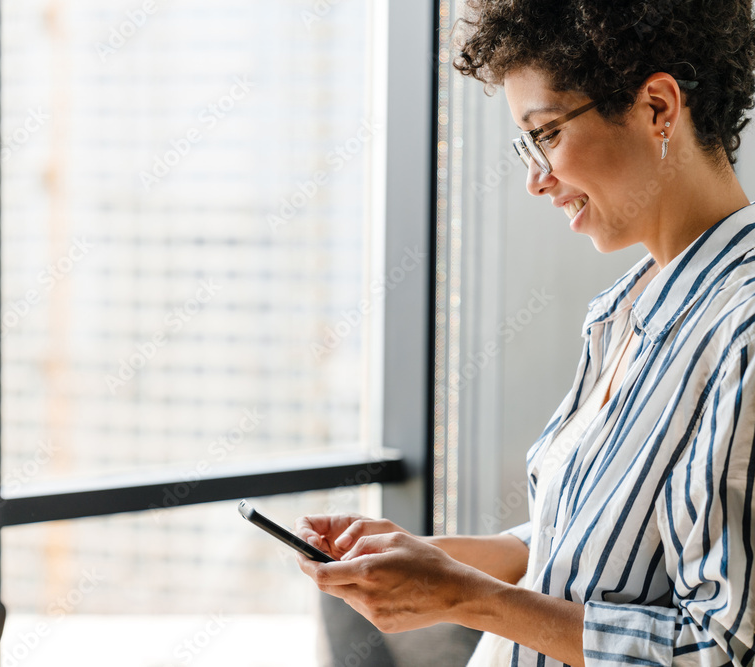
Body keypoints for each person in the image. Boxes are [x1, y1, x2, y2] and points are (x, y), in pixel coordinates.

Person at [295, 1, 755, 665]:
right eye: (525, 144)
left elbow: (715, 649)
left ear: (658, 107)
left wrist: (467, 597)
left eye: (546, 134)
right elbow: (583, 544)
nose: (536, 179)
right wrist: (428, 558)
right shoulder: (624, 310)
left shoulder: (739, 331)